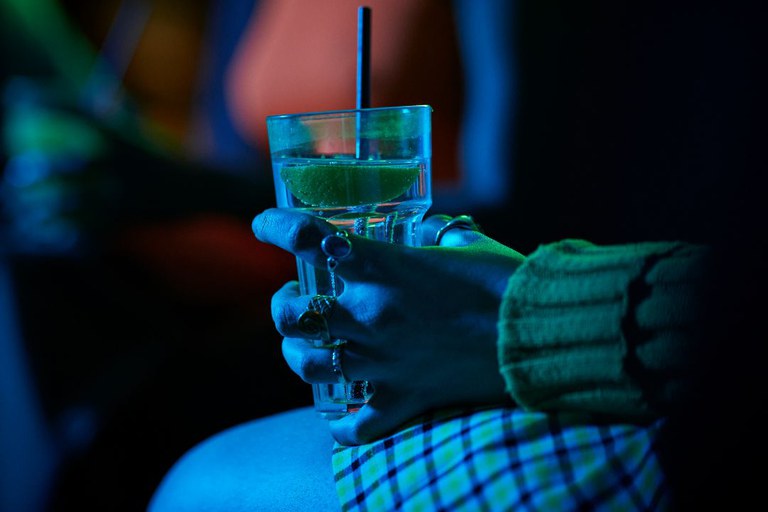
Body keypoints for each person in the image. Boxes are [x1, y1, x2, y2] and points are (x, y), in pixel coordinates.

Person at [148, 0, 766, 510]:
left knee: (205, 483)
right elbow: (228, 165)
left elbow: (524, 193)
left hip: (541, 326)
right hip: (337, 316)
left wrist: (519, 318)